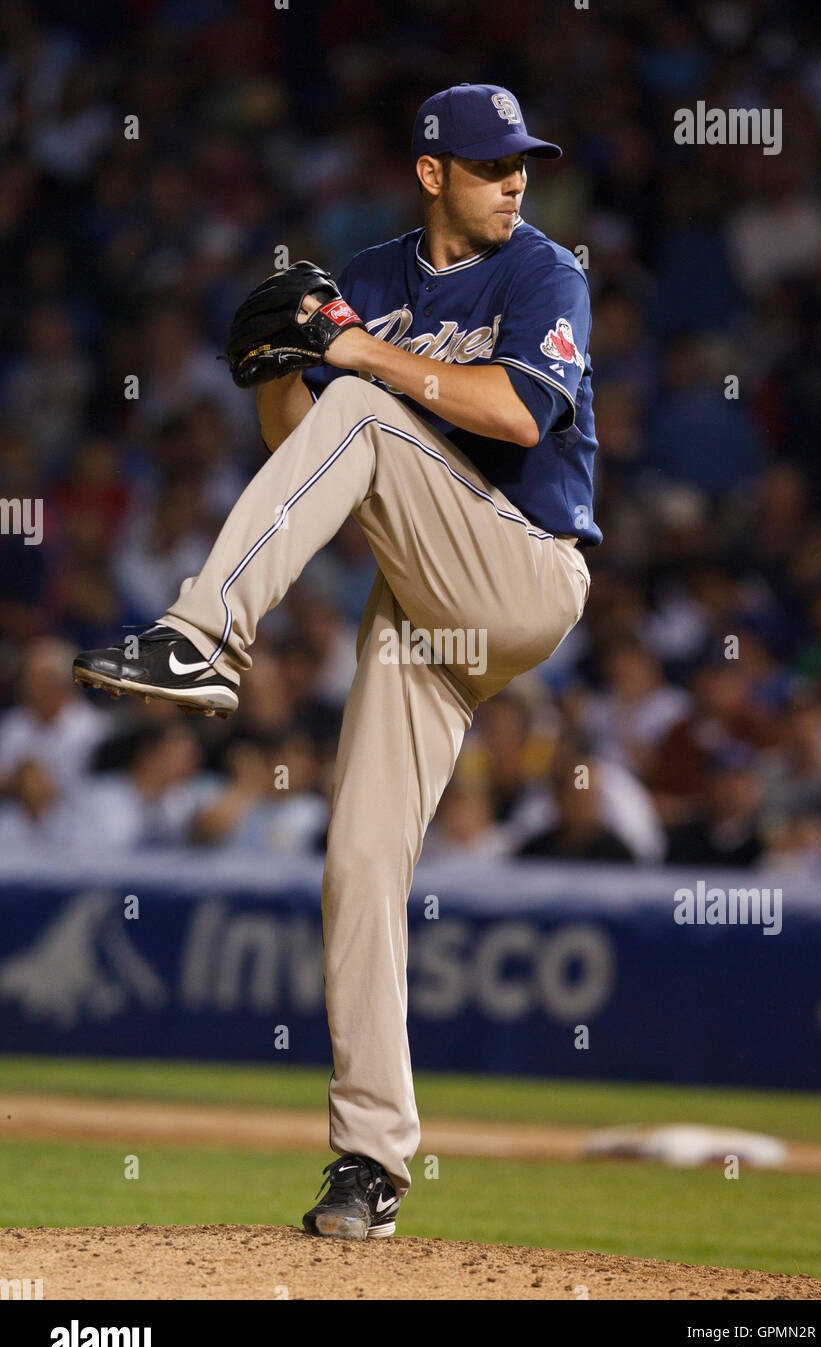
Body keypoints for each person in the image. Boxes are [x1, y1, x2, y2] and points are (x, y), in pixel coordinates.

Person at [72, 84, 599, 1239]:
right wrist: (276, 366)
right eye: (489, 161)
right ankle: (371, 1164)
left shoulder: (543, 271)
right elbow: (296, 441)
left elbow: (515, 415)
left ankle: (202, 637)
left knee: (363, 406)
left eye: (521, 161)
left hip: (521, 572)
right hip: (421, 597)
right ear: (430, 174)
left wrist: (355, 355)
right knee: (357, 864)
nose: (514, 177)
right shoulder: (369, 271)